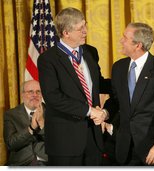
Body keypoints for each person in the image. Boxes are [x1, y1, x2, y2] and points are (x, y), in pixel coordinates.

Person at [37, 7, 110, 166]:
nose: (85, 31)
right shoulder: (48, 60)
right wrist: (90, 111)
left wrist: (125, 82)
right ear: (66, 33)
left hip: (93, 137)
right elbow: (53, 97)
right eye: (80, 28)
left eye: (85, 25)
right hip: (65, 141)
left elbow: (98, 83)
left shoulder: (90, 52)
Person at [103, 22, 154, 165]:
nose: (121, 41)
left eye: (125, 38)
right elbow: (116, 100)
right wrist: (105, 113)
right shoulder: (118, 67)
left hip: (152, 149)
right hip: (124, 149)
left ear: (138, 45)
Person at [3, 80, 47, 166]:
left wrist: (42, 125)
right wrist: (31, 128)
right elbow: (10, 144)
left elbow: (60, 141)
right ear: (22, 95)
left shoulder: (52, 113)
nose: (35, 95)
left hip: (47, 162)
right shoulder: (11, 114)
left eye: (38, 91)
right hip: (21, 163)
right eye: (30, 92)